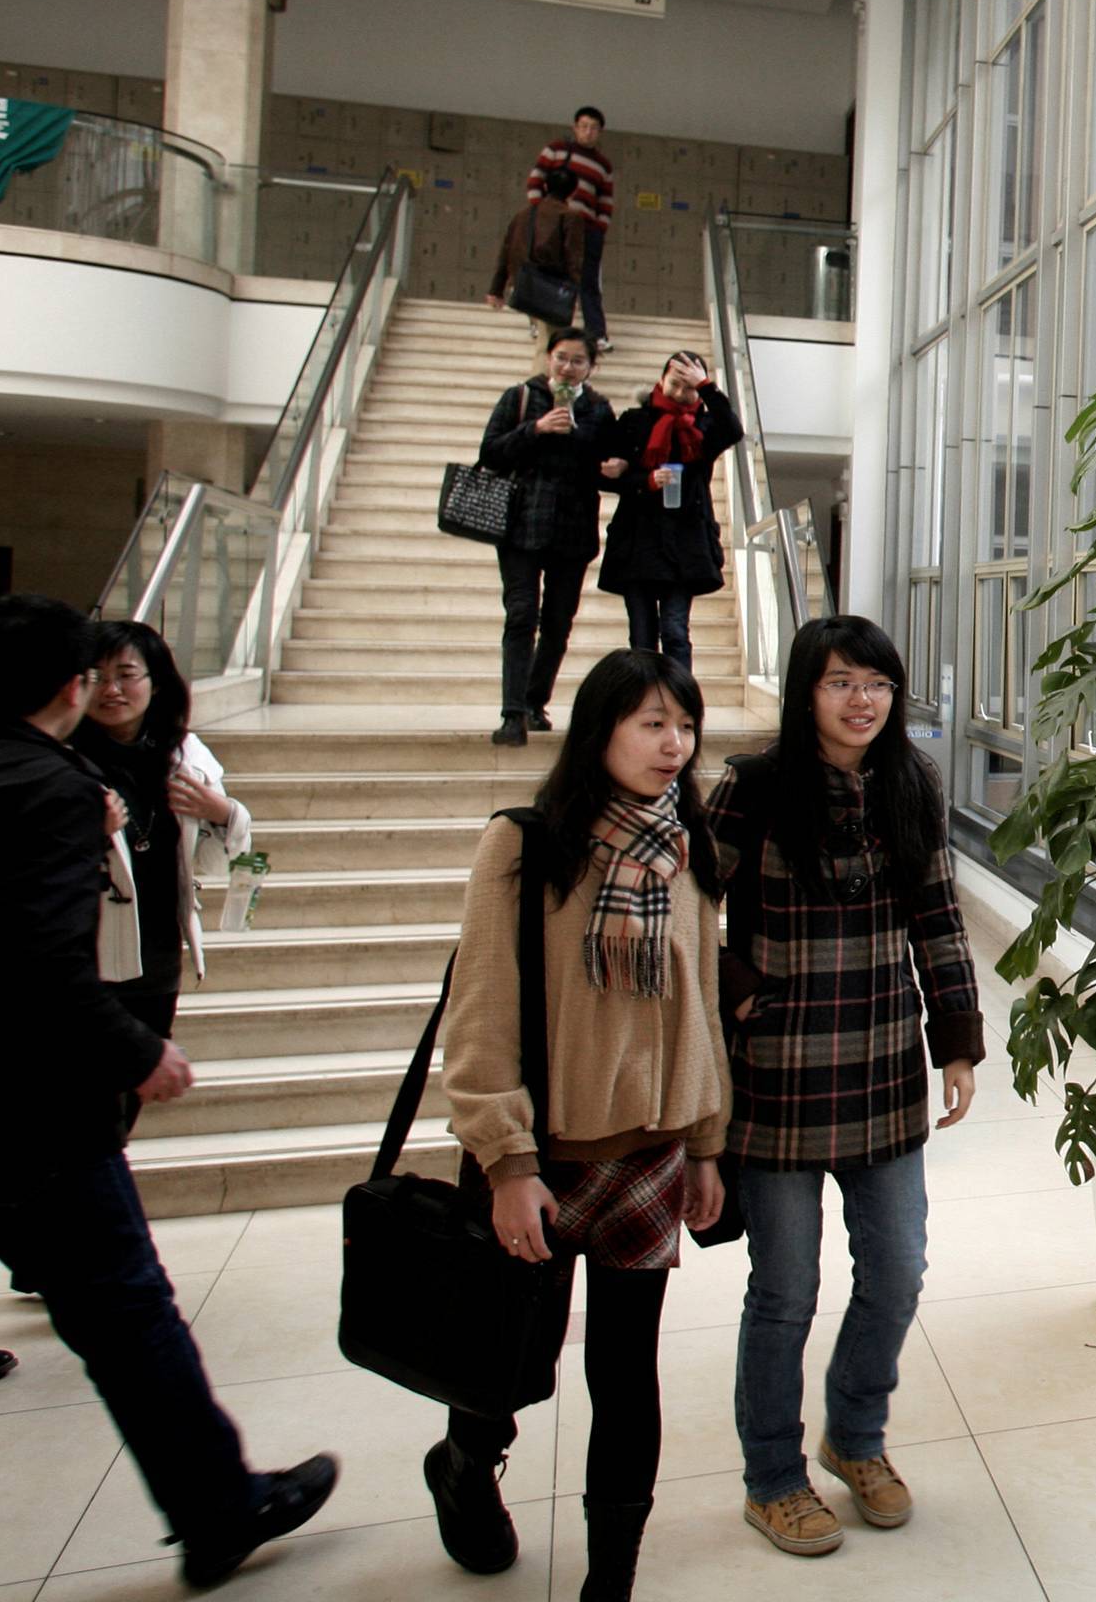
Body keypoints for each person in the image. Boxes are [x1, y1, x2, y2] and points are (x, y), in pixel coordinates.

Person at [0, 595, 336, 1585]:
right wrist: (139, 1052)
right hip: (31, 1113)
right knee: (130, 1313)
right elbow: (42, 966)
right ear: (72, 685)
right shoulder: (53, 787)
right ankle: (219, 1508)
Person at [426, 649, 729, 1602]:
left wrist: (707, 1144)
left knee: (626, 1375)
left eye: (685, 725)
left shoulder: (690, 849)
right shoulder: (524, 846)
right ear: (599, 731)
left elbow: (701, 1007)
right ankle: (465, 1466)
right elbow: (482, 1012)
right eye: (652, 723)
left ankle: (612, 1577)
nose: (674, 744)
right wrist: (507, 1162)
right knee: (507, 1364)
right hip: (542, 1158)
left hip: (650, 1157)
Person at [708, 617, 983, 1558]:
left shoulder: (911, 782)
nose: (862, 701)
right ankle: (772, 1479)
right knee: (785, 1292)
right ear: (805, 691)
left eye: (877, 684)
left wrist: (956, 1041)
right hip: (777, 1078)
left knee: (898, 1270)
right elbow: (683, 901)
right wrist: (736, 987)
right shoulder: (754, 787)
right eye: (840, 683)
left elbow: (938, 915)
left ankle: (856, 1437)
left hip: (881, 1066)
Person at [71, 622, 252, 1080]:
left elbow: (214, 863)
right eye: (97, 676)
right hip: (85, 955)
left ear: (156, 683)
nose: (111, 689)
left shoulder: (186, 755)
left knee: (133, 1087)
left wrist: (223, 813)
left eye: (126, 675)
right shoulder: (63, 758)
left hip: (157, 953)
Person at [480, 326, 628, 746]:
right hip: (521, 526)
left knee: (558, 621)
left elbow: (611, 469)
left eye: (578, 360)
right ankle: (512, 714)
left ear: (590, 367)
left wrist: (615, 468)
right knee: (521, 614)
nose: (567, 367)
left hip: (573, 530)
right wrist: (536, 429)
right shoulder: (520, 397)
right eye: (561, 358)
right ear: (549, 358)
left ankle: (534, 702)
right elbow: (490, 452)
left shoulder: (599, 409)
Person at [598, 352, 740, 676]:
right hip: (638, 541)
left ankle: (679, 696)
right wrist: (645, 481)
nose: (678, 393)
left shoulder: (704, 426)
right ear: (661, 380)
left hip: (685, 544)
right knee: (642, 637)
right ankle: (646, 698)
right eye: (674, 383)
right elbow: (606, 475)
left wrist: (706, 387)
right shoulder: (635, 421)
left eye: (688, 388)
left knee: (675, 630)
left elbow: (733, 430)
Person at [526, 106, 616, 352]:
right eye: (584, 126)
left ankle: (596, 333)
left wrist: (599, 228)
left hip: (586, 229)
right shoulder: (556, 150)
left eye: (594, 128)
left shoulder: (603, 165)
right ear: (575, 127)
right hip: (555, 223)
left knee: (588, 281)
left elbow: (605, 201)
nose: (588, 132)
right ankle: (540, 322)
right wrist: (542, 212)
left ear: (600, 132)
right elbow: (535, 181)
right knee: (546, 273)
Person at [486, 168, 595, 351]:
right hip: (551, 289)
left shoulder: (523, 215)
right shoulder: (571, 217)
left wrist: (496, 289)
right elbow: (574, 259)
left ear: (545, 186)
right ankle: (543, 369)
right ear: (573, 192)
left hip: (522, 285)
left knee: (545, 341)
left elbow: (505, 252)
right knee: (550, 345)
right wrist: (572, 293)